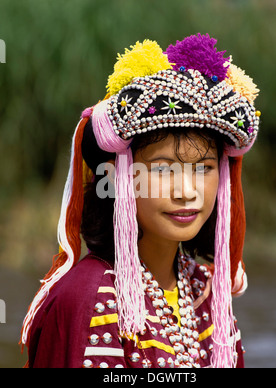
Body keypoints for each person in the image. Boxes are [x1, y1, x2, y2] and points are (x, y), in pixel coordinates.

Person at [20, 33, 260, 368]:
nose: (186, 191)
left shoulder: (207, 289)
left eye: (203, 168)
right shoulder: (88, 296)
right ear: (117, 179)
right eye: (163, 169)